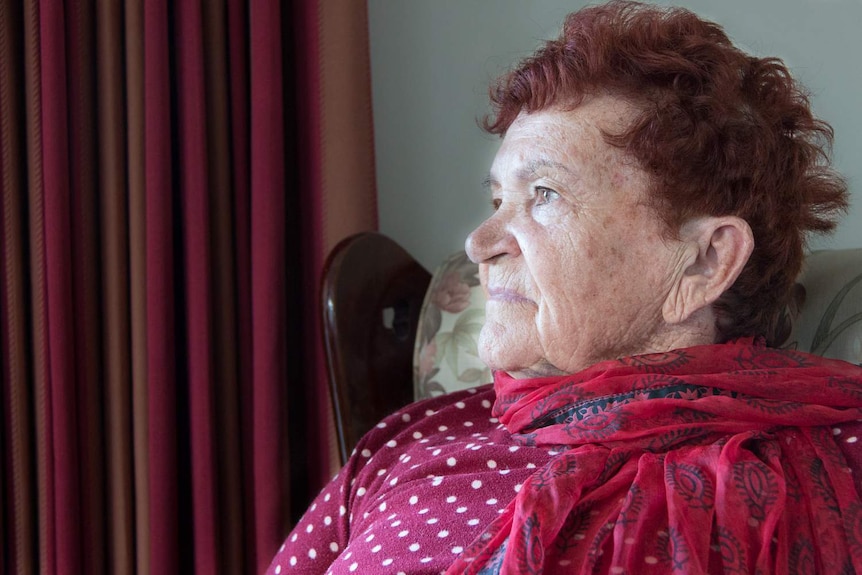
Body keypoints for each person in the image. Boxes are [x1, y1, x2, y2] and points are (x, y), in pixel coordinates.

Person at [266, 1, 862, 573]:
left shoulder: (842, 463)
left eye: (544, 195)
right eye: (498, 198)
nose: (480, 242)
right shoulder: (412, 441)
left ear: (705, 261)